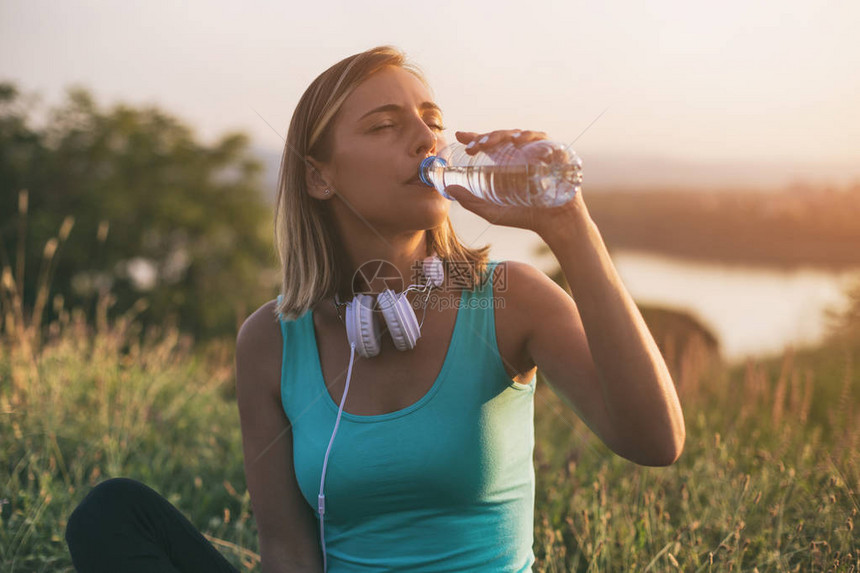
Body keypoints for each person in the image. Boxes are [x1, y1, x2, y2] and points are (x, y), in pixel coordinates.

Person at [65, 45, 686, 572]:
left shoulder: (509, 299)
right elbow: (286, 547)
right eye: (385, 125)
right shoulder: (271, 339)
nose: (426, 137)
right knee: (112, 513)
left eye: (432, 119)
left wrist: (569, 226)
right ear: (318, 177)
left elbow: (657, 441)